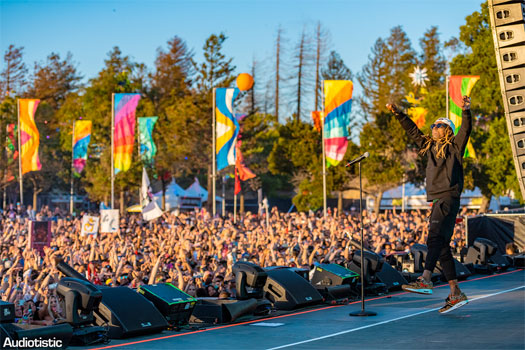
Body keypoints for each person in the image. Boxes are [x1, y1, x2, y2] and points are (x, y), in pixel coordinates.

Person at [386, 95, 472, 314]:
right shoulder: (428, 147)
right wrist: (399, 114)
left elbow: (466, 129)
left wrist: (466, 111)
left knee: (433, 238)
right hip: (438, 199)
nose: (434, 128)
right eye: (433, 125)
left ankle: (425, 279)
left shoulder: (454, 147)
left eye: (439, 126)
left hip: (447, 197)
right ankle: (455, 292)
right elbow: (413, 130)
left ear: (448, 131)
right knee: (441, 246)